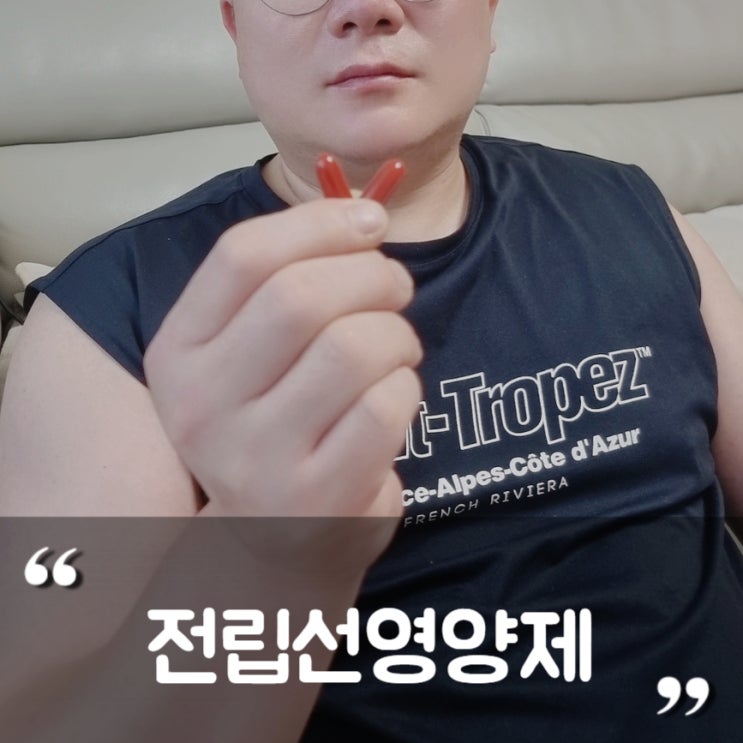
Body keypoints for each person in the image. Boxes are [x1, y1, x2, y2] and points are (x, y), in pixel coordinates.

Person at [1, 0, 743, 740]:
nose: (367, 8)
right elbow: (45, 721)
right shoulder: (111, 311)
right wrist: (264, 548)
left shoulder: (632, 207)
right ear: (235, 24)